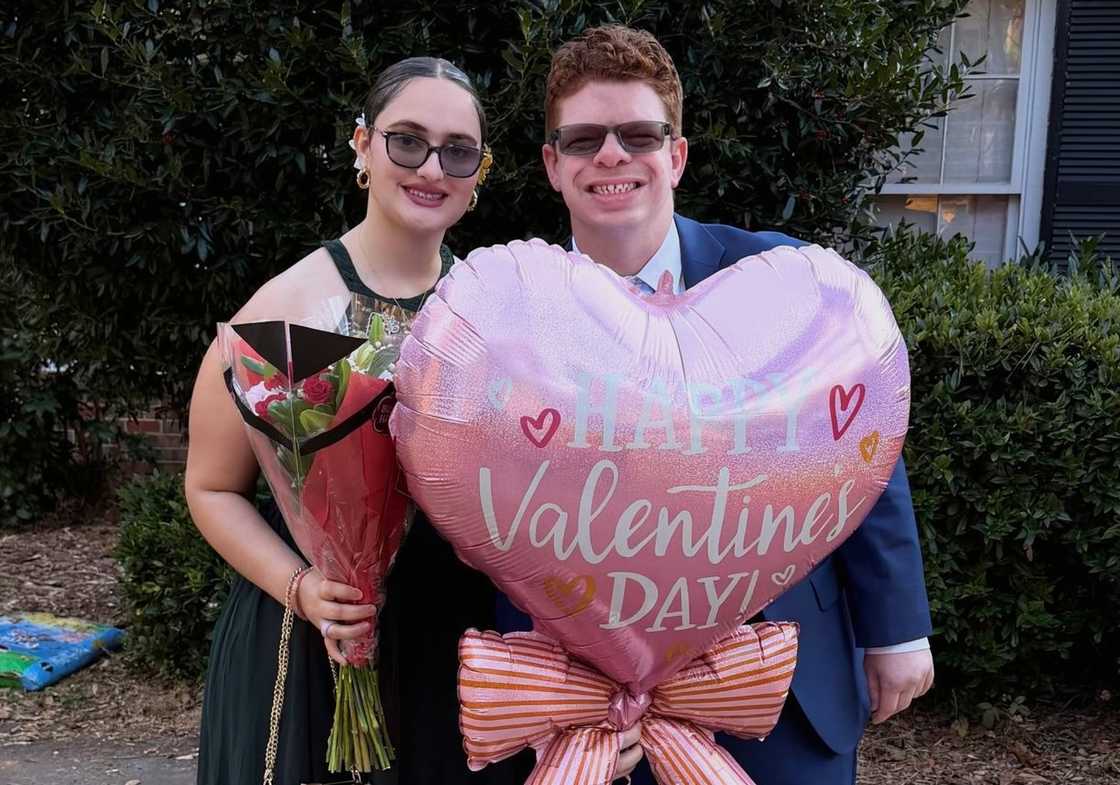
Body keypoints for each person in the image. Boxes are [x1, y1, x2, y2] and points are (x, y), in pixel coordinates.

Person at [495, 25, 936, 785]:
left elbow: (861, 436)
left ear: (677, 154)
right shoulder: (508, 314)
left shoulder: (781, 276)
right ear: (551, 163)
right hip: (594, 702)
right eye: (584, 138)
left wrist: (898, 626)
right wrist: (531, 693)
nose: (612, 155)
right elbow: (487, 509)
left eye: (639, 133)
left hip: (784, 680)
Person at [185, 56, 514, 785]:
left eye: (457, 150)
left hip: (454, 638)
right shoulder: (284, 307)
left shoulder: (496, 312)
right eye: (407, 140)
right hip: (312, 637)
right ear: (363, 145)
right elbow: (211, 487)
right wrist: (302, 587)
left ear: (479, 172)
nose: (431, 166)